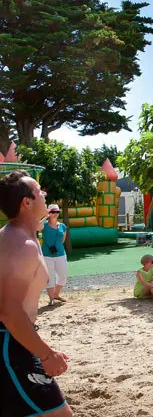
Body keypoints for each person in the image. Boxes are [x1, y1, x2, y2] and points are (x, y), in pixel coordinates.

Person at [0, 170, 73, 416]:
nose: (44, 194)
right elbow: (9, 311)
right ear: (27, 202)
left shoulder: (18, 238)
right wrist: (46, 354)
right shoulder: (21, 245)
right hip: (7, 342)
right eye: (39, 190)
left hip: (14, 339)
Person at [42, 204, 69, 306]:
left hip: (61, 254)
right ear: (49, 213)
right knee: (49, 277)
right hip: (47, 255)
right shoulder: (44, 225)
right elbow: (35, 227)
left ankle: (56, 294)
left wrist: (57, 248)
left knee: (63, 275)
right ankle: (51, 299)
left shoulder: (62, 226)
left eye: (57, 212)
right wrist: (45, 216)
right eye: (52, 212)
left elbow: (62, 240)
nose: (55, 214)